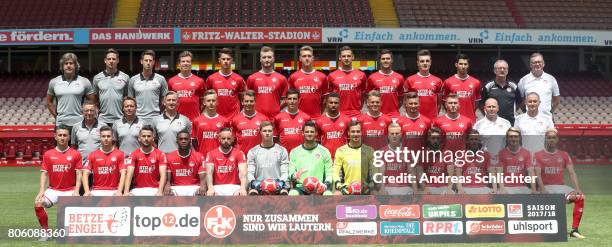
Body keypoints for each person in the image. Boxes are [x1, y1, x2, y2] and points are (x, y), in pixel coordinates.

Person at [534, 128, 585, 239]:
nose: (551, 140)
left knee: (580, 197)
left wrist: (577, 189)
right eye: (549, 138)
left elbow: (572, 172)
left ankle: (574, 230)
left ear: (557, 140)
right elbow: (537, 174)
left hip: (561, 188)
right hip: (546, 188)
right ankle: (546, 228)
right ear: (545, 139)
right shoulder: (537, 155)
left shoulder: (564, 155)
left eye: (553, 138)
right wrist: (542, 189)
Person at [34, 126, 82, 241]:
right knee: (38, 203)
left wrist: (76, 190)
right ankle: (46, 233)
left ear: (69, 137)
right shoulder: (48, 154)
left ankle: (72, 233)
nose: (62, 138)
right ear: (55, 137)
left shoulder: (75, 154)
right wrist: (41, 190)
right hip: (53, 190)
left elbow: (79, 174)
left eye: (65, 135)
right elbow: (44, 174)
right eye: (60, 135)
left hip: (70, 190)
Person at [47, 52, 96, 130]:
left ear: (76, 66)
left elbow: (92, 100)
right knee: (62, 143)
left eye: (71, 63)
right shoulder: (54, 82)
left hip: (79, 123)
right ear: (62, 66)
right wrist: (57, 116)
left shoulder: (84, 81)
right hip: (61, 123)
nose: (68, 65)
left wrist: (85, 113)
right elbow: (49, 102)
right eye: (66, 63)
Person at [333, 121, 380, 195]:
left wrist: (369, 186)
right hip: (347, 189)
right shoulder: (341, 151)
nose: (355, 134)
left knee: (378, 193)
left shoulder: (369, 150)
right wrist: (340, 186)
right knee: (336, 194)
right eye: (353, 132)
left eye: (358, 131)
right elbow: (335, 172)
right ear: (348, 133)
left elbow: (375, 172)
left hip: (364, 189)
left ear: (361, 133)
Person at [288, 121, 333, 196]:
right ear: (302, 133)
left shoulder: (324, 151)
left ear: (316, 133)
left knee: (328, 194)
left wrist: (325, 185)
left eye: (312, 132)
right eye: (307, 132)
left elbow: (329, 173)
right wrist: (295, 175)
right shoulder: (295, 152)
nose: (309, 134)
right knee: (292, 193)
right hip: (301, 187)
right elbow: (290, 173)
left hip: (319, 187)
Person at [247, 122, 290, 195]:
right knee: (252, 192)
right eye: (264, 131)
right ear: (260, 132)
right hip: (259, 186)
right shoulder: (252, 151)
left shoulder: (282, 150)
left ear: (273, 132)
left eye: (269, 131)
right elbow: (250, 173)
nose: (267, 133)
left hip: (278, 186)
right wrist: (255, 183)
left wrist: (279, 183)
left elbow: (285, 172)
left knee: (284, 192)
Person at [82, 126, 126, 196]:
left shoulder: (120, 154)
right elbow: (85, 173)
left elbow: (123, 173)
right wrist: (87, 191)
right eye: (103, 136)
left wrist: (119, 191)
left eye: (108, 136)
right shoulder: (93, 155)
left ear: (112, 138)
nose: (106, 139)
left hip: (114, 190)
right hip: (97, 190)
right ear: (100, 138)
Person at [123, 126, 167, 196]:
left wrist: (160, 191)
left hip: (154, 189)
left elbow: (163, 174)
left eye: (149, 136)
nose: (146, 139)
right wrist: (126, 191)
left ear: (153, 138)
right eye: (143, 136)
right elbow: (129, 173)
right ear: (139, 138)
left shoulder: (160, 154)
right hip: (137, 189)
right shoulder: (133, 154)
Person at [128, 50, 168, 126]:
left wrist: (159, 113)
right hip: (138, 118)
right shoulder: (133, 80)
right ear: (141, 61)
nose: (148, 63)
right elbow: (131, 100)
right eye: (146, 60)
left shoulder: (161, 79)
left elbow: (164, 101)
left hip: (155, 118)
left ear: (153, 62)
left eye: (150, 60)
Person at [246, 46, 288, 119]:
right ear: (260, 59)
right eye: (264, 57)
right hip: (256, 118)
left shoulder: (281, 79)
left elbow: (285, 99)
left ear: (273, 59)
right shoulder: (252, 78)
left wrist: (276, 109)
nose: (267, 60)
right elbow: (247, 99)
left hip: (275, 119)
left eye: (269, 57)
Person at [92, 48, 130, 127]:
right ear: (105, 60)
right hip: (102, 119)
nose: (111, 61)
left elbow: (126, 97)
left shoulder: (125, 77)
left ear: (118, 60)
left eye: (114, 59)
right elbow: (95, 99)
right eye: (109, 59)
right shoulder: (97, 78)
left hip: (120, 118)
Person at [205, 48, 246, 120]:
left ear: (232, 60)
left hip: (234, 119)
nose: (226, 61)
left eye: (228, 59)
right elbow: (206, 99)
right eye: (223, 59)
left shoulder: (239, 79)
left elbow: (243, 99)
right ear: (219, 60)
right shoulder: (211, 79)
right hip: (216, 118)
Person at [205, 128, 248, 196]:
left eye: (228, 138)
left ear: (233, 139)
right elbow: (209, 173)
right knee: (211, 194)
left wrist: (242, 188)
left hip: (234, 187)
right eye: (223, 138)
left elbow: (243, 173)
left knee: (240, 194)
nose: (226, 141)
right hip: (217, 187)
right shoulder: (211, 154)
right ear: (219, 139)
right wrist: (210, 188)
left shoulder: (239, 153)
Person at [288, 45, 328, 118]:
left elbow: (325, 100)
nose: (307, 58)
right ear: (300, 58)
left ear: (313, 58)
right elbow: (290, 99)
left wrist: (323, 115)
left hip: (316, 118)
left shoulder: (322, 77)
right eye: (304, 56)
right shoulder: (293, 77)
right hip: (298, 118)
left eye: (309, 56)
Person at [327, 46, 367, 117]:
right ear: (340, 57)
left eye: (348, 56)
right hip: (338, 114)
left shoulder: (361, 75)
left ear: (353, 57)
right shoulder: (332, 75)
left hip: (356, 114)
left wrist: (359, 108)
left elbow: (363, 94)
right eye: (344, 56)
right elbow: (329, 96)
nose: (346, 58)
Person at [518, 53, 560, 119]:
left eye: (539, 62)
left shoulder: (551, 79)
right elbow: (520, 101)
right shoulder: (523, 81)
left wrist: (550, 112)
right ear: (530, 65)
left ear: (543, 64)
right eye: (534, 62)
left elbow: (556, 100)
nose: (537, 64)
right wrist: (526, 112)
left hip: (547, 119)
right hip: (529, 119)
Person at [164, 130, 207, 196]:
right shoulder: (169, 157)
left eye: (186, 139)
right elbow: (167, 180)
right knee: (167, 193)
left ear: (190, 141)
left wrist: (203, 186)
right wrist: (167, 186)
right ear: (177, 141)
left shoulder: (199, 156)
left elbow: (203, 178)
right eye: (181, 139)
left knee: (202, 192)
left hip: (194, 187)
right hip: (175, 188)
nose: (183, 141)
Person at [404, 49, 443, 120]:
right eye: (422, 61)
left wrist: (435, 116)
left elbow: (439, 103)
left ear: (430, 62)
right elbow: (406, 103)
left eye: (427, 61)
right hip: (415, 120)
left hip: (432, 121)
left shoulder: (438, 80)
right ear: (418, 63)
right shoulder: (410, 80)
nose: (425, 63)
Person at [380, 122, 418, 195]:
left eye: (397, 133)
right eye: (392, 133)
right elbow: (381, 173)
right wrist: (382, 190)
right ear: (388, 136)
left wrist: (415, 191)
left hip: (404, 187)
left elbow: (412, 173)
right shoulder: (382, 152)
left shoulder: (407, 152)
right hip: (388, 187)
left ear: (400, 135)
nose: (394, 136)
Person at [168, 51, 206, 122]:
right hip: (176, 120)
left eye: (188, 61)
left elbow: (203, 101)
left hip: (194, 120)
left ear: (191, 63)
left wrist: (200, 116)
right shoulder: (171, 81)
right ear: (179, 64)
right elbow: (168, 101)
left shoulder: (200, 81)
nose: (185, 63)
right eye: (183, 61)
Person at [442, 53, 481, 123]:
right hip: (453, 121)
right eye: (461, 64)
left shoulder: (476, 82)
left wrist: (470, 111)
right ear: (456, 65)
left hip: (470, 120)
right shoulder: (448, 82)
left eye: (465, 64)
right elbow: (445, 102)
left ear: (468, 65)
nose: (463, 66)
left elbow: (476, 103)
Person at [497, 127, 537, 194]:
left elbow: (531, 172)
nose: (513, 139)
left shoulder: (526, 153)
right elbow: (499, 173)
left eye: (516, 136)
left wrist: (534, 189)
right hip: (506, 187)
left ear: (519, 138)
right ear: (507, 138)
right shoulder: (501, 153)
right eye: (511, 137)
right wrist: (502, 189)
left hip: (522, 187)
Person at [481, 59, 521, 125]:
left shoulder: (514, 86)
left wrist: (512, 113)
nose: (502, 70)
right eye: (499, 68)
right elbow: (481, 104)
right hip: (492, 123)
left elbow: (519, 103)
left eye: (504, 68)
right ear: (495, 71)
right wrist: (488, 114)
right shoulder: (488, 86)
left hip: (510, 123)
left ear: (507, 71)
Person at [366, 49, 404, 117]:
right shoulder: (372, 77)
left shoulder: (399, 77)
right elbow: (368, 97)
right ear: (380, 61)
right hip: (377, 115)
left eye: (388, 58)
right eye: (383, 59)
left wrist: (395, 108)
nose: (385, 60)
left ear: (391, 60)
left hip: (394, 115)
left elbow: (401, 97)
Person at [232, 90, 269, 155]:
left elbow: (268, 139)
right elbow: (232, 140)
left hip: (259, 156)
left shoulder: (263, 119)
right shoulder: (235, 119)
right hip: (241, 157)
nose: (249, 103)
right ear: (242, 102)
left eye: (251, 101)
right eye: (246, 101)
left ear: (255, 102)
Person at [474, 98, 512, 163]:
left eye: (493, 107)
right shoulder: (478, 125)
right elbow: (474, 145)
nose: (491, 109)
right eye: (489, 107)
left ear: (498, 108)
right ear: (484, 108)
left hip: (502, 161)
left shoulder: (506, 123)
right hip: (484, 161)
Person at [192, 90, 229, 156]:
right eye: (208, 101)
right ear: (204, 102)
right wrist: (199, 154)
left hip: (220, 157)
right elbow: (194, 141)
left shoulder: (224, 121)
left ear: (217, 102)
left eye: (213, 100)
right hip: (202, 157)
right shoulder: (196, 121)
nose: (211, 103)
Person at [455, 130, 492, 194]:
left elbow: (491, 173)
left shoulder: (486, 155)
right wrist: (460, 189)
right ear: (468, 141)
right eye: (471, 139)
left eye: (476, 139)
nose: (474, 141)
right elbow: (458, 175)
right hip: (466, 188)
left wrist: (494, 188)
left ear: (479, 141)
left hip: (483, 188)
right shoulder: (461, 155)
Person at [316, 93, 352, 159]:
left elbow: (350, 141)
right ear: (326, 104)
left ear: (339, 104)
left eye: (336, 103)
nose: (333, 105)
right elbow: (317, 142)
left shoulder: (347, 120)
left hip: (343, 158)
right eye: (331, 102)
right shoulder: (319, 121)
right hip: (326, 158)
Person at [420, 127, 454, 195]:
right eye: (433, 138)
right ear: (429, 139)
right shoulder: (422, 154)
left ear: (441, 139)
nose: (435, 140)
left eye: (438, 138)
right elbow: (419, 174)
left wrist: (449, 188)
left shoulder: (447, 154)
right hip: (428, 187)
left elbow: (451, 174)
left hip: (443, 188)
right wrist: (424, 188)